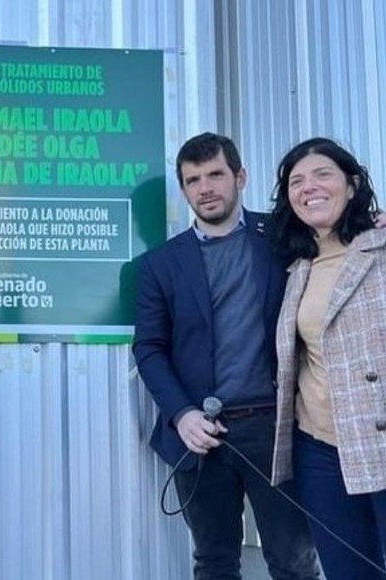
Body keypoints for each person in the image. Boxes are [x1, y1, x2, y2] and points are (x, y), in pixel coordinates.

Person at [133, 132, 320, 579]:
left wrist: (372, 222)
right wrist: (181, 415)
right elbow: (149, 347)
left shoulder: (282, 237)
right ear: (183, 189)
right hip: (201, 435)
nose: (206, 187)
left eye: (215, 174)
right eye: (193, 179)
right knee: (214, 562)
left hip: (277, 428)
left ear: (240, 176)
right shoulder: (161, 264)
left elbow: (337, 237)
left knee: (294, 561)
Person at [270, 137, 386, 579]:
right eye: (296, 182)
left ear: (352, 185)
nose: (309, 188)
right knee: (348, 572)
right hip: (319, 451)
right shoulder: (297, 267)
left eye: (322, 175)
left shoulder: (379, 247)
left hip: (378, 439)